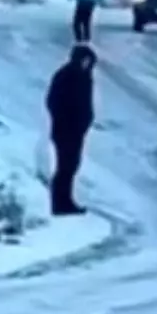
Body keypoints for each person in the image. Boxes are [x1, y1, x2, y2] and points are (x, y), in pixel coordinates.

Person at [45, 43, 96, 215]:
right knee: (64, 166)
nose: (86, 64)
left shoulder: (86, 77)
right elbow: (52, 101)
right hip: (64, 130)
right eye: (84, 60)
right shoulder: (65, 76)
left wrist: (86, 120)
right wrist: (63, 119)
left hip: (78, 130)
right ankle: (59, 202)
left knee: (72, 165)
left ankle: (66, 200)